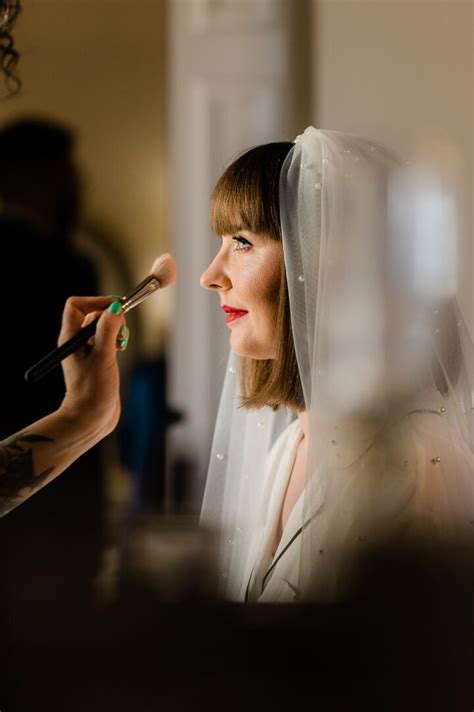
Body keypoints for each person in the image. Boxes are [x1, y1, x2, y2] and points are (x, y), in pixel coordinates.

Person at [199, 127, 473, 603]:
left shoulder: (412, 461)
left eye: (242, 242)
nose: (210, 276)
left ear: (324, 265)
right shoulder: (287, 448)